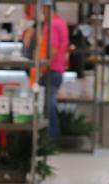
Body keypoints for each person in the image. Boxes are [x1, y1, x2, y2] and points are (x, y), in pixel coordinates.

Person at [27, 3, 70, 141]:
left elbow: (52, 49)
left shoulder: (53, 24)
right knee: (49, 105)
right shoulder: (60, 22)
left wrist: (42, 67)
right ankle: (51, 138)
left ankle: (50, 140)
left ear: (47, 8)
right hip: (57, 70)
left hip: (51, 70)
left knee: (48, 106)